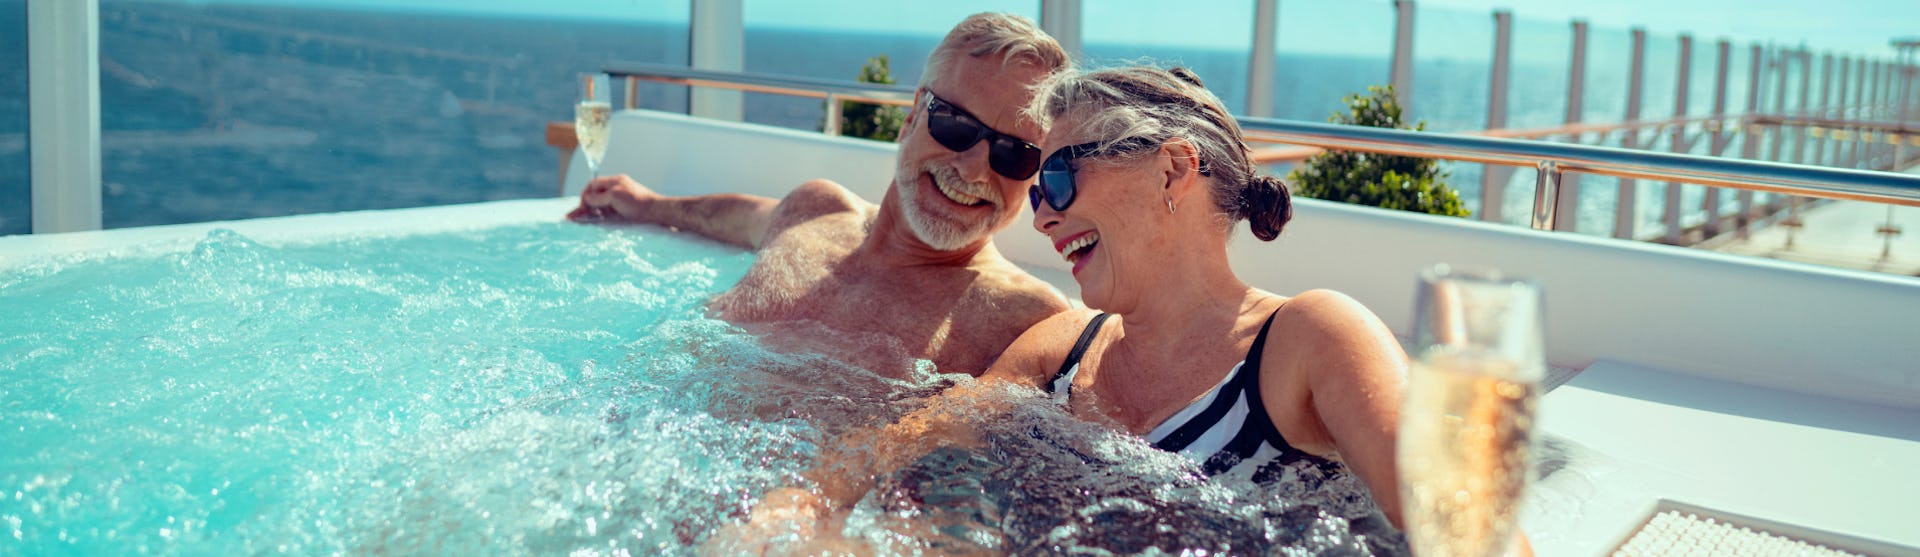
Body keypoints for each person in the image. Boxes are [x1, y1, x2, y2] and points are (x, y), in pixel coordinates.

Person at [728, 65, 1534, 555]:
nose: (1042, 216)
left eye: (1058, 179)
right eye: (1037, 192)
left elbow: (1464, 529)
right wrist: (790, 511)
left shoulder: (1307, 337)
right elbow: (904, 445)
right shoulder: (1060, 346)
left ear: (1173, 170)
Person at [568, 13, 1072, 376]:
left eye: (1015, 153)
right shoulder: (815, 209)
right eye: (955, 124)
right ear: (912, 115)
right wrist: (650, 205)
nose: (973, 169)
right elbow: (745, 216)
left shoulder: (1027, 320)